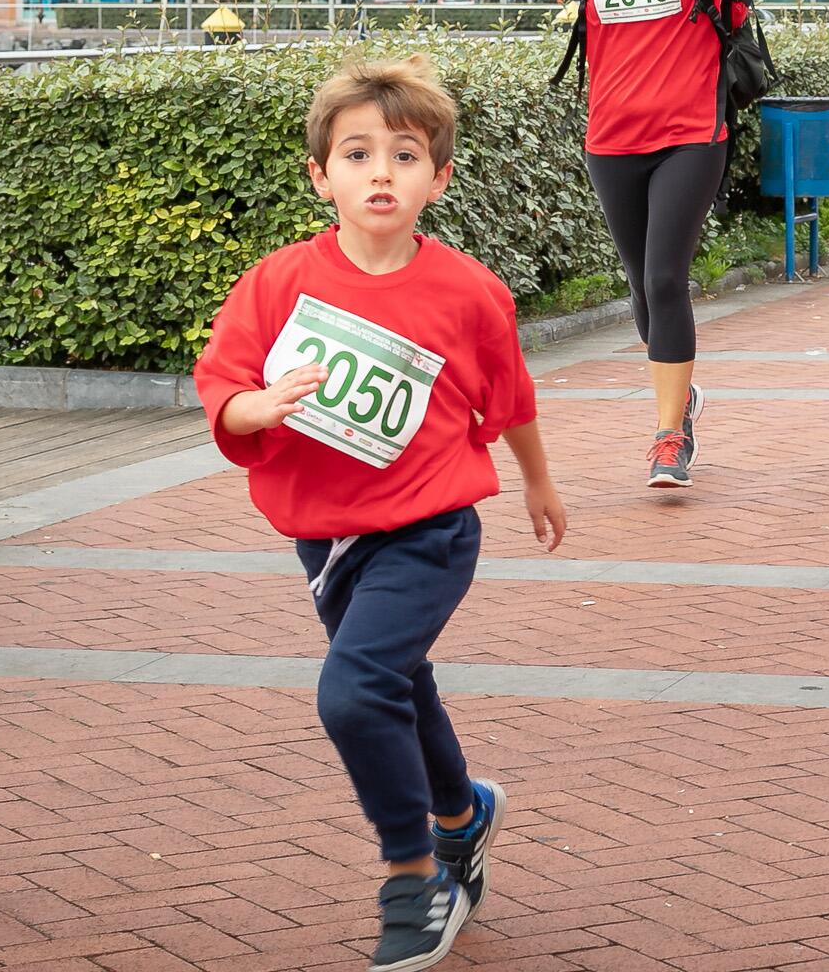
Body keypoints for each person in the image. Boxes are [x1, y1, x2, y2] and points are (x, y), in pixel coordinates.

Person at [193, 56, 570, 972]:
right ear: (320, 174)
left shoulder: (469, 292)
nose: (380, 173)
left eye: (404, 156)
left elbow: (509, 398)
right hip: (326, 537)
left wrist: (537, 482)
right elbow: (221, 384)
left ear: (438, 178)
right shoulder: (277, 284)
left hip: (433, 530)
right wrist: (257, 407)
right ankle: (463, 813)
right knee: (400, 685)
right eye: (357, 154)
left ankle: (414, 877)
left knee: (355, 691)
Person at [425, 0, 829, 487]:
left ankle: (666, 436)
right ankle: (679, 395)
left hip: (692, 137)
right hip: (611, 142)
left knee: (665, 278)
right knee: (639, 284)